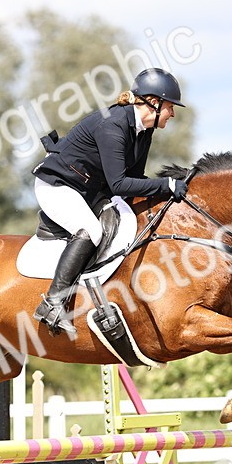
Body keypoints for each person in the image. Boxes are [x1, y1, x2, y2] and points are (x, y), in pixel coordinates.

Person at [31, 67, 189, 338]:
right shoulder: (113, 125)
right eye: (170, 107)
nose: (172, 113)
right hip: (57, 186)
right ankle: (53, 303)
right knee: (91, 230)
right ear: (154, 102)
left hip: (89, 190)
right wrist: (167, 185)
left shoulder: (144, 129)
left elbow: (135, 179)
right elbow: (119, 184)